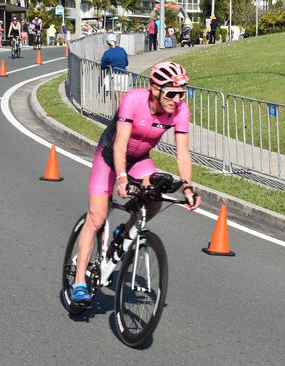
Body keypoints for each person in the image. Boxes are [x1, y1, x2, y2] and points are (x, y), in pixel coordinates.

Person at [69, 62, 201, 308]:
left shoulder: (180, 110)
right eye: (171, 93)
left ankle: (124, 232)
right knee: (97, 217)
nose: (176, 99)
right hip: (109, 157)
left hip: (140, 159)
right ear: (154, 89)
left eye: (181, 93)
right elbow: (120, 142)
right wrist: (121, 176)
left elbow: (183, 153)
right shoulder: (133, 100)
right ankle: (79, 284)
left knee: (155, 200)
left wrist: (187, 187)